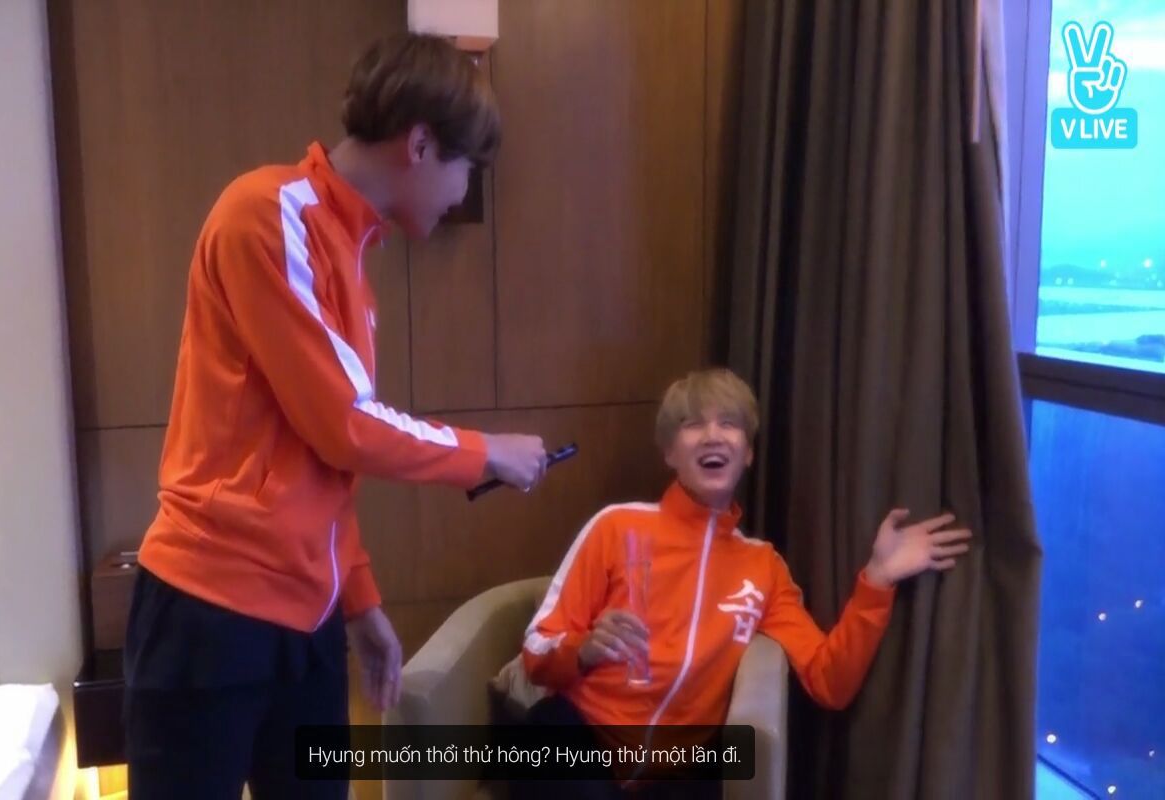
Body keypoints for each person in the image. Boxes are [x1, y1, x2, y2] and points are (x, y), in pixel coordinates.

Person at [123, 32, 548, 799]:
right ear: (420, 144)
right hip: (210, 613)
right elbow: (344, 423)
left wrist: (359, 600)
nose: (463, 192)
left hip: (306, 620)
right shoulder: (267, 211)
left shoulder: (352, 261)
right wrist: (487, 451)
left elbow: (324, 462)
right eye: (467, 169)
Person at [519, 368, 972, 797]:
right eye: (693, 424)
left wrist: (877, 579)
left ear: (748, 452)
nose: (713, 435)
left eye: (729, 424)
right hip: (579, 740)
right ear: (670, 453)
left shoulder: (762, 566)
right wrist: (583, 650)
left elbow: (829, 682)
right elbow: (537, 652)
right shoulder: (616, 527)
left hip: (679, 771)